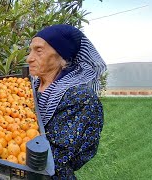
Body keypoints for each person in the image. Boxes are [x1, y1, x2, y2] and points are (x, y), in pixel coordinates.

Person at [26, 24, 106, 179]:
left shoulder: (81, 98)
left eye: (39, 50)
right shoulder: (32, 86)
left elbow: (60, 157)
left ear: (61, 56)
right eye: (30, 51)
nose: (29, 58)